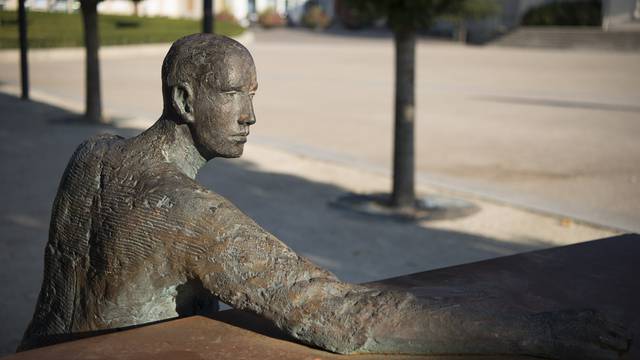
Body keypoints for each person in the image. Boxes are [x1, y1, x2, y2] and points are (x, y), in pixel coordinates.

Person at [19, 34, 629, 359]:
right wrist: (537, 335)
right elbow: (341, 318)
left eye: (253, 93)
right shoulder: (190, 216)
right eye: (233, 95)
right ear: (183, 102)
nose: (251, 115)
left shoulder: (92, 155)